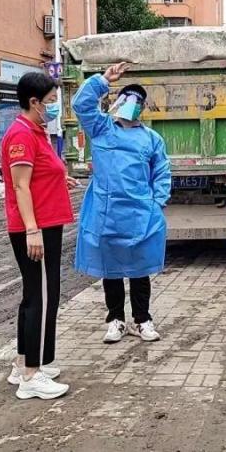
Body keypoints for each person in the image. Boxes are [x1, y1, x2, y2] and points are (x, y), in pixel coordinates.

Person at [72, 62, 171, 344]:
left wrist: (157, 203)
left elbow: (162, 172)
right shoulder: (101, 127)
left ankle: (142, 320)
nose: (131, 104)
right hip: (106, 212)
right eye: (127, 98)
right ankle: (115, 320)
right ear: (117, 101)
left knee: (140, 269)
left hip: (139, 212)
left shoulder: (151, 139)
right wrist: (103, 80)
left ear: (143, 107)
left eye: (137, 101)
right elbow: (81, 104)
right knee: (110, 269)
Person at [1, 71, 76, 400]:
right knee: (42, 297)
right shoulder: (22, 134)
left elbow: (38, 175)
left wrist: (60, 179)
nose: (55, 106)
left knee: (34, 294)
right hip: (37, 227)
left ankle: (23, 363)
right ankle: (32, 376)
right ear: (34, 102)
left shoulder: (36, 131)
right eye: (51, 101)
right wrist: (32, 229)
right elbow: (20, 186)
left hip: (44, 223)